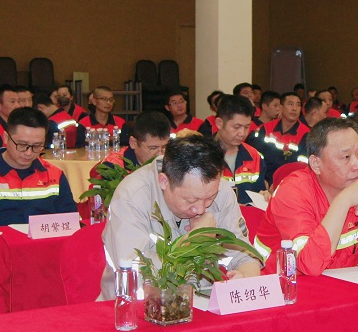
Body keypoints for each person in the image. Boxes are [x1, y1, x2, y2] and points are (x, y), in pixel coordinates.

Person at [100, 134, 262, 298]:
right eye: (191, 200)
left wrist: (245, 278)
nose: (200, 209)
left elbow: (245, 257)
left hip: (200, 302)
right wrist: (195, 240)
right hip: (134, 307)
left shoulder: (220, 190)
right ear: (164, 182)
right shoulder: (131, 197)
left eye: (210, 198)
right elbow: (135, 279)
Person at [253, 118, 358, 275]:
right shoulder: (292, 192)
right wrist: (343, 201)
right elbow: (310, 264)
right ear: (316, 164)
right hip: (283, 284)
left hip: (339, 283)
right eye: (346, 157)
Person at [0, 108, 77, 226]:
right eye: (22, 145)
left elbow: (70, 223)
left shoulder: (55, 175)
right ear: (6, 138)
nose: (28, 153)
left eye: (37, 146)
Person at [211, 95, 268, 203]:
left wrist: (264, 195)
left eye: (246, 127)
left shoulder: (254, 156)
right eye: (236, 127)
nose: (242, 133)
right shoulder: (201, 156)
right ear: (219, 123)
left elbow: (260, 191)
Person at [253, 92, 310, 183]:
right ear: (281, 107)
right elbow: (255, 156)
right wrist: (263, 180)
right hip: (263, 180)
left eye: (298, 105)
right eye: (290, 104)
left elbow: (302, 167)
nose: (294, 108)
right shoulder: (266, 129)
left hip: (290, 182)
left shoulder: (306, 134)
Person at [96, 111, 171, 173]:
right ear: (133, 143)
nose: (160, 155)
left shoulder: (173, 162)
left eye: (165, 147)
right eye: (152, 148)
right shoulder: (112, 167)